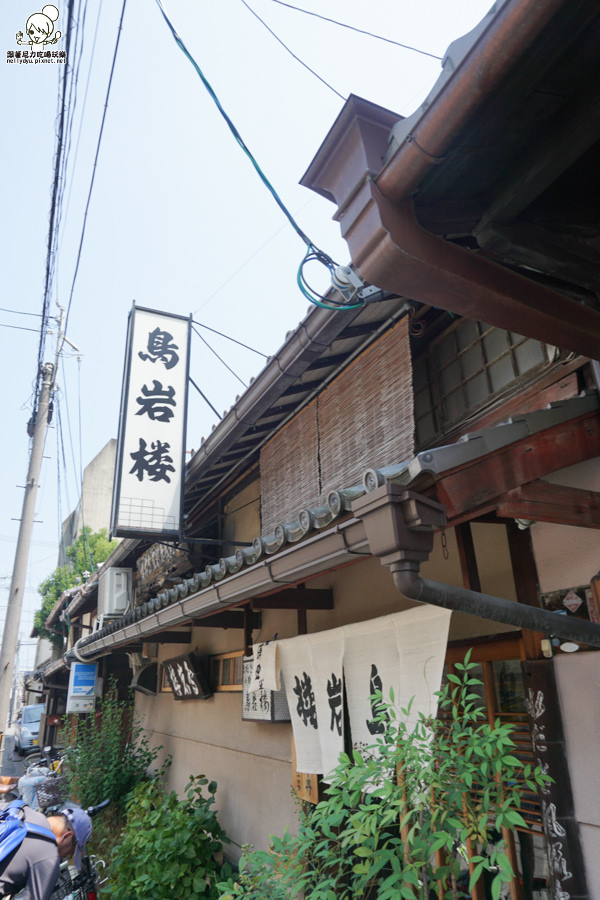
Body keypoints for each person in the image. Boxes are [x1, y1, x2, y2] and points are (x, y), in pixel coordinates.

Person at [0, 804, 92, 900]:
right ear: (67, 836)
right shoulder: (50, 859)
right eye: (70, 852)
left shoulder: (21, 808)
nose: (65, 856)